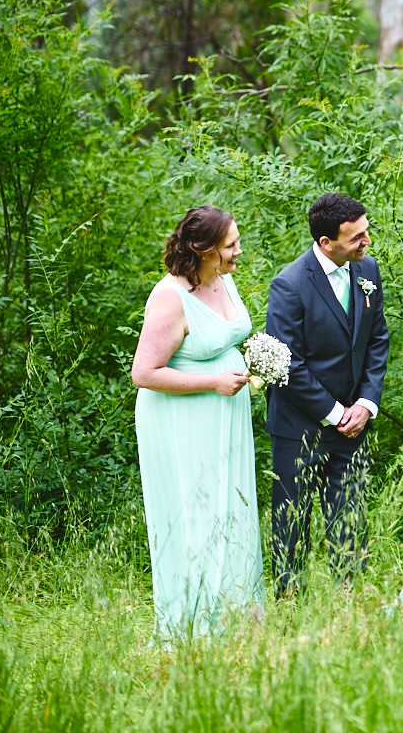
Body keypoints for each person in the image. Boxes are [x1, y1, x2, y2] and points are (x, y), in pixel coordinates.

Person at [131, 206, 264, 637]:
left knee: (232, 510)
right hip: (181, 419)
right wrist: (212, 381)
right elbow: (144, 374)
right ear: (202, 250)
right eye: (230, 246)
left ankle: (235, 617)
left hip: (225, 413)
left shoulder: (223, 279)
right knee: (198, 517)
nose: (238, 252)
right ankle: (195, 626)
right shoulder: (170, 297)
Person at [264, 193, 390, 595]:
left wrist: (366, 405)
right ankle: (289, 601)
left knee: (350, 516)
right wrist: (337, 413)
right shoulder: (289, 284)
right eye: (357, 237)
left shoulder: (366, 269)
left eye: (366, 232)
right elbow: (288, 363)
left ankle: (349, 601)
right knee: (292, 519)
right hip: (300, 423)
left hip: (355, 422)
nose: (366, 242)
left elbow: (377, 341)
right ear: (325, 243)